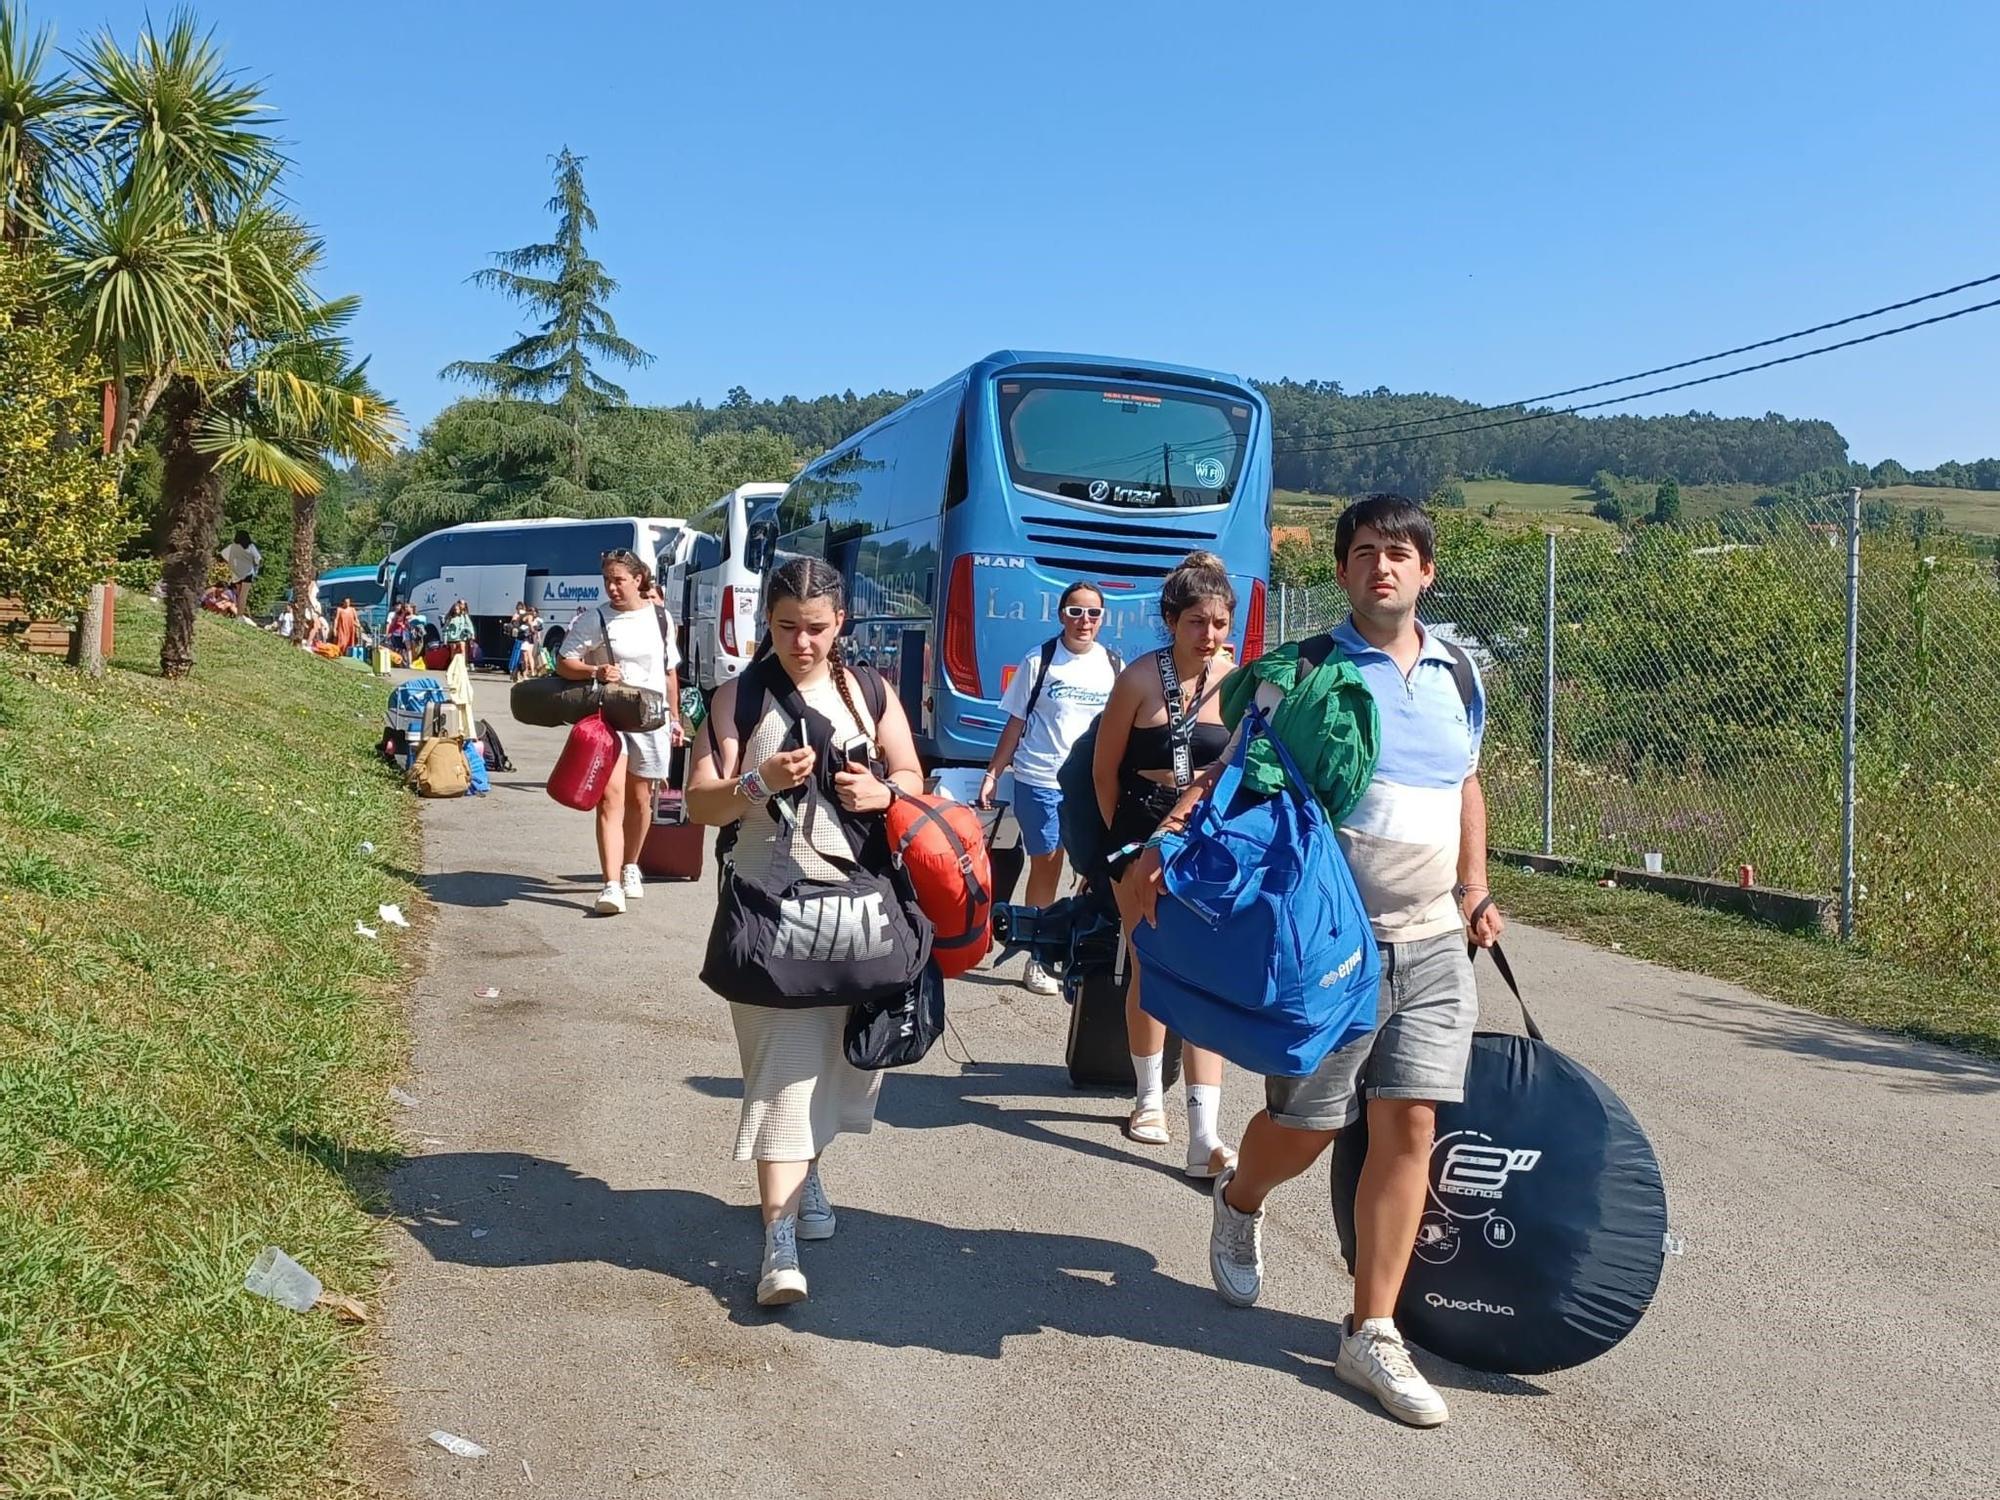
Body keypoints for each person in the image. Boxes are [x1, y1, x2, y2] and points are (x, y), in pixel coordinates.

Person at [1133, 495, 1503, 1429]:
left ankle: (1371, 1331)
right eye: (1367, 553)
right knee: (1311, 1128)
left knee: (1411, 1122)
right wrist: (1157, 853)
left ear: (1427, 571)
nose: (1385, 566)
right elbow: (1230, 775)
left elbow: (1465, 783)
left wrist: (1475, 888)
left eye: (1403, 553)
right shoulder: (1301, 673)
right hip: (1328, 950)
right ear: (1341, 573)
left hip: (1430, 941)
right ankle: (1240, 1193)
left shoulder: (1460, 673)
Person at [684, 557, 927, 1307]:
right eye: (787, 627)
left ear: (841, 624)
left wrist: (881, 791)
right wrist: (759, 785)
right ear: (768, 624)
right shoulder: (735, 699)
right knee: (783, 1078)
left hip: (856, 915)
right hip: (766, 918)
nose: (803, 642)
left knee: (839, 1070)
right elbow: (698, 806)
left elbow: (915, 781)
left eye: (817, 628)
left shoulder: (870, 692)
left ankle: (809, 1172)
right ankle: (778, 1242)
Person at [1090, 552, 1238, 1178]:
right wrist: (1122, 844)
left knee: (1204, 975)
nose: (1209, 636)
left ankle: (1205, 1132)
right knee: (1150, 961)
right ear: (1172, 621)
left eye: (1221, 623)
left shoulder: (1241, 682)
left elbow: (1239, 770)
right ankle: (1149, 1098)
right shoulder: (1139, 680)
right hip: (1136, 829)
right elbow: (1104, 772)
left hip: (1204, 837)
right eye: (1198, 622)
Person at [977, 581, 1121, 994]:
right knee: (1047, 861)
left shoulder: (1113, 666)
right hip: (1039, 778)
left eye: (1093, 613)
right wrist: (992, 773)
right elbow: (1016, 724)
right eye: (1076, 612)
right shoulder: (1039, 661)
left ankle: (1080, 943)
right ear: (1061, 615)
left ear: (1102, 619)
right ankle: (1038, 955)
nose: (1084, 621)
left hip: (1090, 783)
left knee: (1091, 866)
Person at [554, 551, 685, 915]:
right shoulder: (596, 619)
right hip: (611, 716)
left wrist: (675, 719)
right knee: (610, 799)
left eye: (619, 580)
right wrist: (594, 672)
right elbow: (564, 661)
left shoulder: (660, 617)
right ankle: (610, 884)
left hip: (652, 718)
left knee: (641, 800)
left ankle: (631, 866)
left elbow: (669, 671)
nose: (612, 587)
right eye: (607, 580)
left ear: (638, 580)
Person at [219, 530, 261, 614]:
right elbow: (258, 558)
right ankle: (240, 615)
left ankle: (238, 613)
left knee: (238, 595)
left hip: (237, 573)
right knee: (243, 596)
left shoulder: (232, 547)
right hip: (248, 573)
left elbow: (223, 553)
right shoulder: (250, 546)